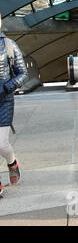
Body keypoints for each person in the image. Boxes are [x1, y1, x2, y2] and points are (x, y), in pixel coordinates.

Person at [0, 12, 28, 196]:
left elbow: (23, 73)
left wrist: (6, 87)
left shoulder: (9, 45)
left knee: (1, 144)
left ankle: (12, 162)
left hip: (4, 101)